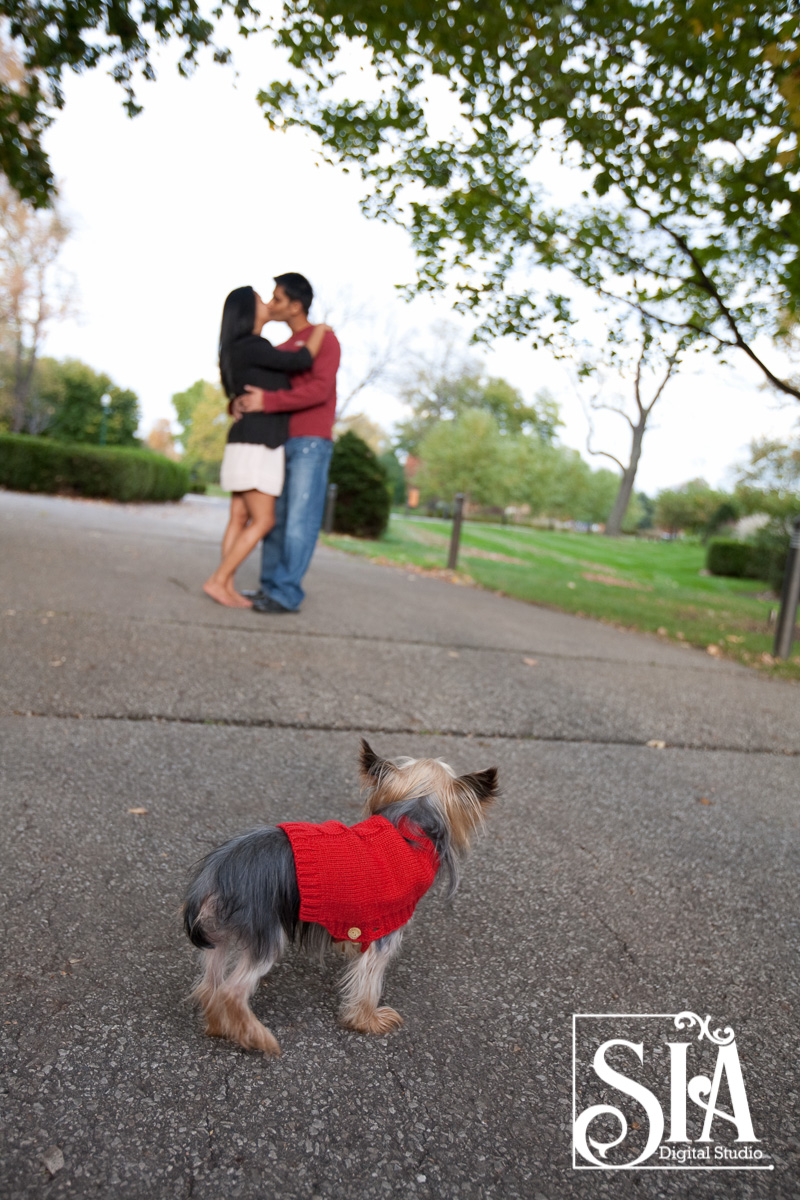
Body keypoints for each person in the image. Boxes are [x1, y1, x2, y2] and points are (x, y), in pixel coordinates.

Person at [203, 285, 330, 608]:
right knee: (264, 520)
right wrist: (322, 330)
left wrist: (235, 403)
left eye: (274, 298)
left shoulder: (235, 348)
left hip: (243, 440)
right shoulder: (255, 346)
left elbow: (239, 393)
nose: (269, 305)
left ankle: (227, 585)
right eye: (263, 300)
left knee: (239, 516)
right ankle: (219, 580)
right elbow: (301, 359)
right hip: (258, 442)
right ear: (248, 311)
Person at [232, 272, 341, 614]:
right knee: (274, 518)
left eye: (277, 298)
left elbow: (319, 390)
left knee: (299, 521)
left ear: (296, 305)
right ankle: (269, 588)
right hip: (275, 442)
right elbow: (254, 385)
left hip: (310, 441)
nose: (272, 304)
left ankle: (286, 593)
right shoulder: (277, 350)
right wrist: (236, 402)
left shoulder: (324, 340)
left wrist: (269, 402)